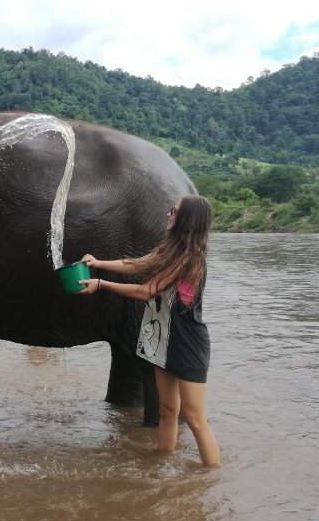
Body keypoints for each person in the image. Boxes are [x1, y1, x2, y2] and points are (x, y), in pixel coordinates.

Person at [76, 195, 221, 466]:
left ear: (186, 220)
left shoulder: (191, 259)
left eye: (173, 212)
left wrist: (100, 284)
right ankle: (160, 465)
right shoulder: (170, 251)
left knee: (195, 420)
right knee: (166, 410)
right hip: (160, 338)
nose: (168, 215)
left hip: (187, 344)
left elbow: (146, 291)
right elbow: (135, 265)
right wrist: (99, 263)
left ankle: (209, 482)